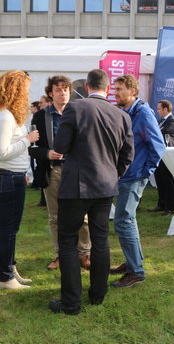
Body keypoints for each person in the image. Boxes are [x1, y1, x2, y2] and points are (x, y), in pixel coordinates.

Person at [49, 69, 134, 315]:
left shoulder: (76, 108)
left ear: (86, 86)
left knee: (67, 241)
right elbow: (128, 155)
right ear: (108, 88)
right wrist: (112, 174)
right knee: (100, 240)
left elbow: (61, 146)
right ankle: (97, 295)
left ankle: (71, 303)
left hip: (77, 186)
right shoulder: (121, 115)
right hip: (105, 186)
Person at [29, 76, 91, 271]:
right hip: (53, 170)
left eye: (65, 89)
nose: (62, 92)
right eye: (58, 89)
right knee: (55, 217)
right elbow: (32, 147)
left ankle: (84, 254)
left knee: (83, 215)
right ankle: (60, 255)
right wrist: (47, 153)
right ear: (50, 93)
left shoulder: (80, 113)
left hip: (77, 171)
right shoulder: (40, 116)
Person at [109, 75, 164, 288]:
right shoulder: (128, 112)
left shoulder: (144, 113)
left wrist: (144, 171)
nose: (116, 93)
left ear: (132, 91)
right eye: (115, 89)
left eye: (120, 89)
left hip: (134, 176)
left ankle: (136, 271)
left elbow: (158, 146)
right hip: (126, 175)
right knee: (127, 221)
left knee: (123, 221)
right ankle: (134, 262)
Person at [0, 70, 39, 290]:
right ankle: (5, 277)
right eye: (24, 88)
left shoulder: (8, 114)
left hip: (13, 176)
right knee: (7, 230)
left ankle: (9, 269)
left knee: (9, 229)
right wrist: (27, 139)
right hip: (7, 177)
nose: (27, 92)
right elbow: (2, 152)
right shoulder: (5, 116)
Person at [150, 100, 174, 215]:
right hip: (158, 154)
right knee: (160, 180)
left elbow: (163, 134)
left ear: (166, 109)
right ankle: (161, 204)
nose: (158, 111)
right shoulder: (160, 121)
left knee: (167, 181)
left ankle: (170, 207)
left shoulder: (172, 121)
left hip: (167, 154)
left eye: (159, 109)